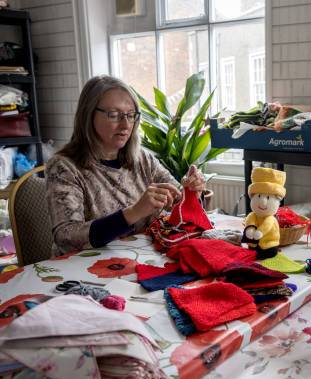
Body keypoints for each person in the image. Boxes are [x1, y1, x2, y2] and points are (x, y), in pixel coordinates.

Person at [46, 75, 207, 256]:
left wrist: (192, 191)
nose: (125, 124)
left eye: (131, 115)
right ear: (88, 115)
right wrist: (135, 212)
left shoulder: (143, 160)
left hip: (138, 260)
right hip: (80, 270)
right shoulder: (63, 167)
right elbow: (66, 236)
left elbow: (179, 201)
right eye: (114, 115)